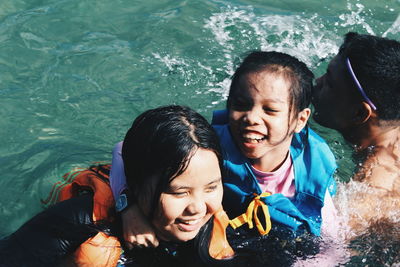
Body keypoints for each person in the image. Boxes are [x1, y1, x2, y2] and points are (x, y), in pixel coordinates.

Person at [111, 51, 338, 248]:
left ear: (300, 120)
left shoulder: (314, 171)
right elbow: (123, 150)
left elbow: (331, 241)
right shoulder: (212, 144)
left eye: (269, 110)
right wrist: (129, 210)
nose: (251, 118)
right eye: (241, 104)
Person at [0, 105, 235, 266]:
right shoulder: (81, 222)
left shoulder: (219, 225)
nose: (197, 208)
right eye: (179, 192)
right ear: (135, 184)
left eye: (211, 187)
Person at [312, 32, 400, 236]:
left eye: (330, 83)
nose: (318, 80)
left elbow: (325, 251)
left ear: (360, 113)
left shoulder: (366, 194)